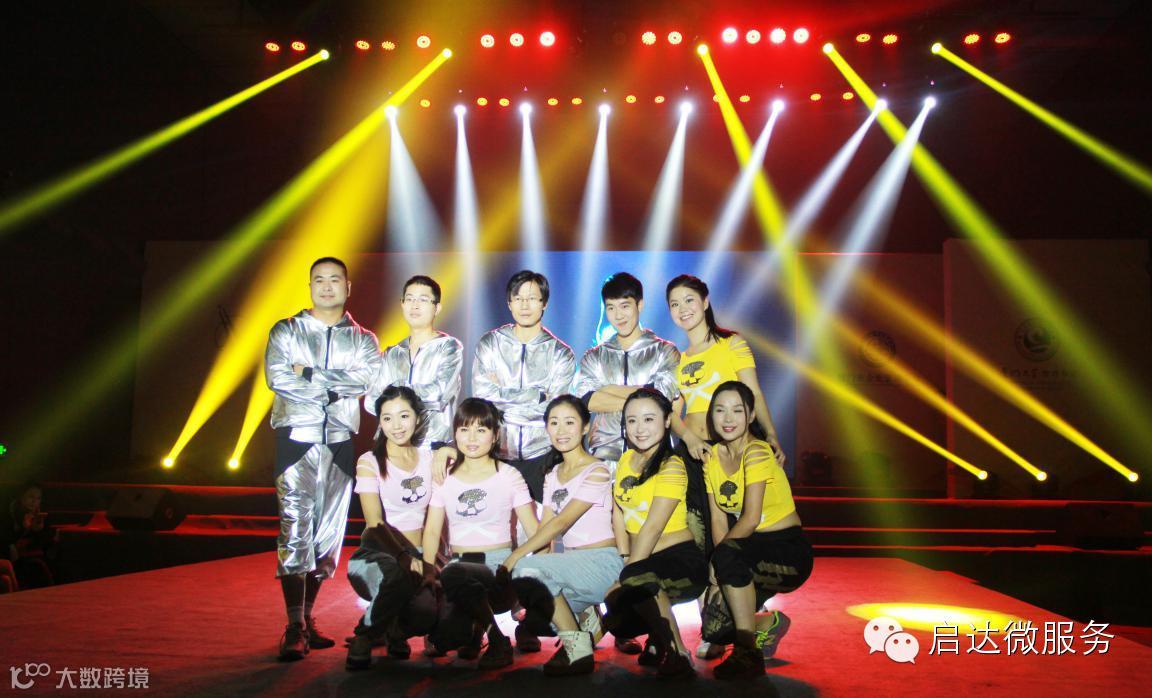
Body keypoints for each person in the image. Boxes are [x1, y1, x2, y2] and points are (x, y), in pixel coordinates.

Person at [264, 256, 382, 662]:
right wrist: (334, 386)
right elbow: (277, 377)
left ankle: (307, 616)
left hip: (340, 442)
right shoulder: (287, 330)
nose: (327, 286)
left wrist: (310, 374)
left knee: (327, 538)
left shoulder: (363, 339)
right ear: (310, 285)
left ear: (348, 287)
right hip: (296, 439)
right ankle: (294, 625)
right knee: (294, 531)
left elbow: (366, 380)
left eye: (335, 279)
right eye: (319, 279)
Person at [665, 274, 786, 659]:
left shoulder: (732, 344)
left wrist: (771, 435)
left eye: (689, 300)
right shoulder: (677, 359)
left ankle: (744, 621)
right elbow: (673, 415)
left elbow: (755, 393)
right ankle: (715, 626)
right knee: (701, 543)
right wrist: (689, 438)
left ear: (705, 301)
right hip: (692, 456)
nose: (683, 309)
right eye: (674, 304)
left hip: (729, 454)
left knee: (733, 540)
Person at [572, 272, 681, 655]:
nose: (619, 314)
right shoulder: (594, 356)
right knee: (607, 548)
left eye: (625, 305)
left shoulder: (664, 351)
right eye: (611, 307)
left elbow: (663, 397)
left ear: (640, 305)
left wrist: (610, 393)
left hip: (653, 464)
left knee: (649, 546)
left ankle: (656, 633)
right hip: (604, 463)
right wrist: (640, 395)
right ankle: (617, 625)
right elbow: (587, 399)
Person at [500, 395, 623, 675]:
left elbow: (562, 522)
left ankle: (577, 649)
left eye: (570, 422)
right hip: (570, 566)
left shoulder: (597, 470)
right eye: (554, 423)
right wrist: (530, 580)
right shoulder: (553, 474)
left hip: (601, 564)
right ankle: (588, 621)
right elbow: (546, 529)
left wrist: (518, 558)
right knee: (535, 617)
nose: (561, 430)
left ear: (585, 427)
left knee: (526, 569)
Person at [700, 381, 812, 679]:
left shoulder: (758, 451)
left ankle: (747, 653)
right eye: (720, 410)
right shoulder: (712, 458)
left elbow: (750, 518)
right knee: (714, 627)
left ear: (751, 416)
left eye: (737, 410)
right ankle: (768, 623)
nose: (728, 418)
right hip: (749, 548)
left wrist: (720, 559)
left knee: (724, 564)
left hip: (786, 551)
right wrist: (720, 569)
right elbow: (718, 520)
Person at [421, 398, 540, 668]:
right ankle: (476, 631)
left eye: (481, 430)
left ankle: (497, 641)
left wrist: (529, 570)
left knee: (455, 573)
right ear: (455, 434)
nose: (472, 438)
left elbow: (534, 531)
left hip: (499, 570)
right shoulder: (445, 477)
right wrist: (428, 572)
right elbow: (432, 531)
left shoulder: (509, 475)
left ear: (495, 435)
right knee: (445, 638)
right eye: (464, 429)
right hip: (459, 567)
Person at [604, 388, 708, 679]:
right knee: (618, 618)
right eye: (632, 420)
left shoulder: (672, 466)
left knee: (636, 580)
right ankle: (657, 638)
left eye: (649, 419)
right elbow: (619, 512)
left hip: (680, 560)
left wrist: (628, 571)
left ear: (667, 421)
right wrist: (625, 556)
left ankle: (679, 653)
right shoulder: (626, 460)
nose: (639, 428)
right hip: (641, 556)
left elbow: (652, 527)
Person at [346, 385, 444, 668]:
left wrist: (427, 562)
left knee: (428, 611)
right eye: (387, 418)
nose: (396, 426)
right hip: (376, 555)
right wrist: (403, 557)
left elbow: (435, 519)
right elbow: (375, 523)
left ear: (417, 418)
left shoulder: (429, 459)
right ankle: (365, 635)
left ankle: (395, 629)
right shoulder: (369, 462)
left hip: (419, 552)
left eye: (404, 416)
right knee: (398, 577)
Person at [472, 270, 576, 505]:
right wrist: (536, 395)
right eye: (518, 298)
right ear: (509, 303)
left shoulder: (561, 353)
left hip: (542, 455)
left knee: (543, 522)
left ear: (544, 303)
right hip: (496, 453)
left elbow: (554, 411)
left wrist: (502, 403)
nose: (525, 305)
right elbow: (483, 398)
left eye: (532, 298)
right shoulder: (491, 344)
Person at [366, 275, 463, 446]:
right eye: (410, 299)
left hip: (431, 445)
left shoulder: (449, 347)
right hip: (392, 446)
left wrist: (394, 394)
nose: (415, 305)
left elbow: (439, 392)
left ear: (437, 308)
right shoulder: (392, 353)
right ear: (402, 304)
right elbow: (371, 400)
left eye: (423, 300)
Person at [1, 481, 57, 589]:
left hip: (32, 556)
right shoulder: (9, 513)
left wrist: (38, 530)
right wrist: (24, 528)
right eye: (31, 497)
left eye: (38, 498)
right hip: (12, 557)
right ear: (21, 497)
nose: (34, 501)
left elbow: (46, 541)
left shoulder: (40, 515)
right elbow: (6, 540)